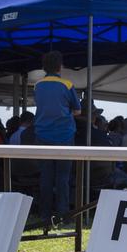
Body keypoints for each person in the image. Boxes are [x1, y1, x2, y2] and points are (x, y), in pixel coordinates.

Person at [32, 51, 81, 226]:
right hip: (64, 135)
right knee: (62, 177)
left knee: (45, 176)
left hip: (42, 135)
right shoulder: (67, 85)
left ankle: (45, 215)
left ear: (44, 67)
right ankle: (62, 214)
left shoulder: (38, 85)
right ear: (60, 66)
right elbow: (77, 110)